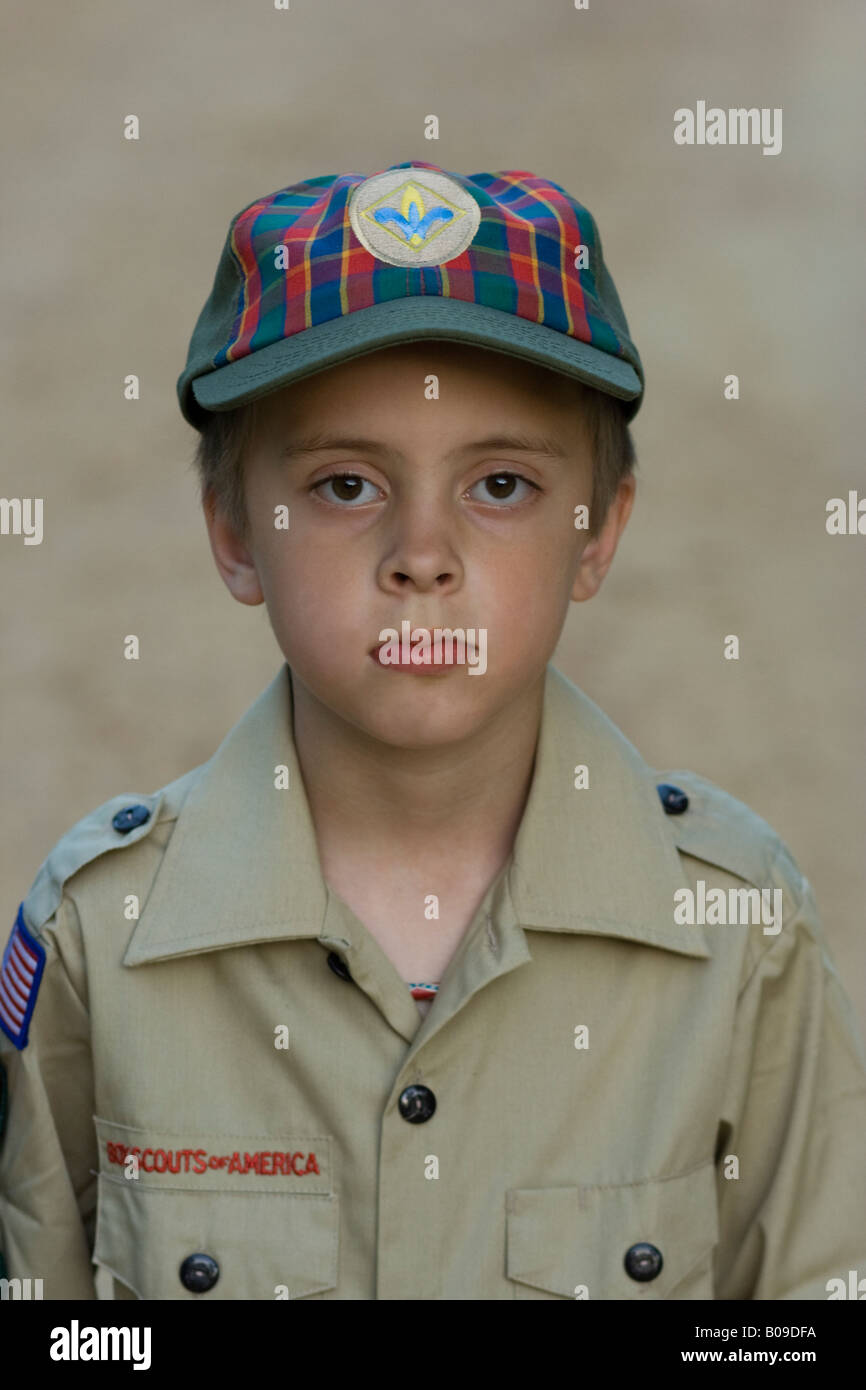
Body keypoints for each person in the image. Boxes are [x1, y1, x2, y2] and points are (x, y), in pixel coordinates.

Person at [1, 161, 864, 1301]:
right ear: (233, 532)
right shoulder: (98, 939)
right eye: (345, 485)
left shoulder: (736, 928)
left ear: (597, 529)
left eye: (499, 484)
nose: (422, 554)